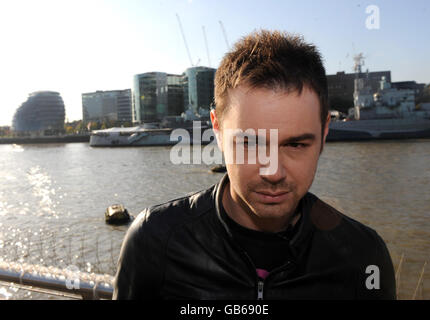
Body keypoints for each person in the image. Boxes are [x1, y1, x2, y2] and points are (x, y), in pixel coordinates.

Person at [113, 30, 396, 300]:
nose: (273, 172)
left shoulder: (363, 257)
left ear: (324, 133)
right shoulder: (153, 241)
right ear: (218, 131)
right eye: (250, 143)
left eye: (296, 145)